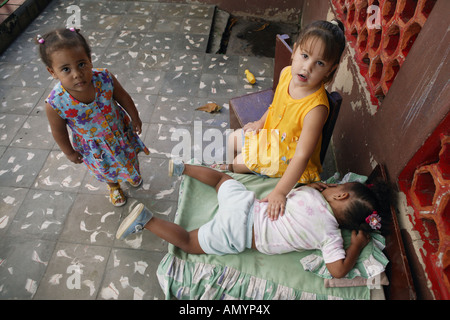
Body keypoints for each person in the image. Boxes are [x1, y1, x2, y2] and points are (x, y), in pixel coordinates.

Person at [116, 161, 392, 279]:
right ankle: (147, 220)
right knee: (189, 242)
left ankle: (183, 167)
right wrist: (354, 246)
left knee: (223, 179)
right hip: (239, 233)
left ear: (341, 194)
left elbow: (298, 192)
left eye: (333, 187)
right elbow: (338, 271)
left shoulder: (309, 193)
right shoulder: (330, 235)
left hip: (245, 204)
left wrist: (313, 187)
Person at [216, 20, 346, 221]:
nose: (307, 67)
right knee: (232, 139)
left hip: (287, 157)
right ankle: (235, 171)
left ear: (330, 69)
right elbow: (275, 106)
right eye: (305, 56)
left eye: (319, 63)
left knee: (238, 162)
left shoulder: (316, 108)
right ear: (294, 52)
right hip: (271, 136)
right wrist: (260, 123)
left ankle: (239, 174)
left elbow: (302, 157)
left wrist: (280, 192)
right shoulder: (287, 74)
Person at [37, 28, 149, 206]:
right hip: (95, 146)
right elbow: (58, 132)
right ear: (53, 72)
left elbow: (123, 97)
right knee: (106, 169)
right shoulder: (55, 103)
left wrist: (135, 117)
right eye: (66, 69)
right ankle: (114, 186)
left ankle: (131, 174)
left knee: (129, 157)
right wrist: (69, 152)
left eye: (81, 64)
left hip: (120, 132)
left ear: (89, 59)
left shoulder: (104, 77)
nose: (76, 74)